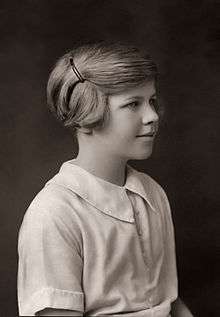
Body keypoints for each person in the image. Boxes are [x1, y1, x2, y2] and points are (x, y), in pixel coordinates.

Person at [17, 41, 193, 316]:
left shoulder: (152, 193)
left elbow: (169, 301)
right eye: (133, 104)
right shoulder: (54, 214)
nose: (152, 116)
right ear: (87, 113)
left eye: (152, 101)